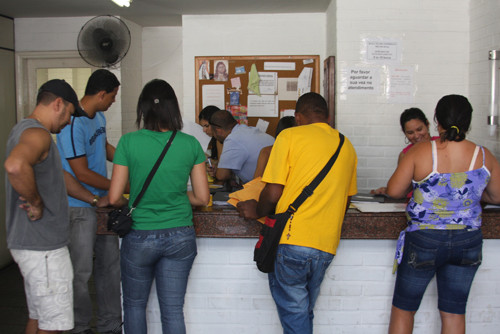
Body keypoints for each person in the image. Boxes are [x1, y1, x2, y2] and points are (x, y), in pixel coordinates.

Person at [236, 92, 358, 334]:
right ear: (327, 117)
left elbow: (273, 192)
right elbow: (346, 199)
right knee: (302, 313)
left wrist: (255, 210)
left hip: (293, 240)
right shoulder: (347, 146)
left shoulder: (289, 135)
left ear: (298, 117)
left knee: (295, 315)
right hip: (326, 245)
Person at [386, 95, 500, 334]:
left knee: (404, 309)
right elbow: (497, 196)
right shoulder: (483, 155)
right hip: (468, 239)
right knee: (454, 312)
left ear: (436, 122)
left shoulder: (420, 152)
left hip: (425, 238)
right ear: (468, 122)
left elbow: (395, 190)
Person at [4, 79, 109, 334]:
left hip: (32, 244)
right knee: (54, 326)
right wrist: (36, 202)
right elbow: (15, 165)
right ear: (58, 104)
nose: (67, 123)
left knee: (39, 319)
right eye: (69, 115)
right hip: (44, 249)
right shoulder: (37, 133)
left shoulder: (23, 130)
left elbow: (60, 178)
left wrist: (93, 199)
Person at [108, 79, 209, 334]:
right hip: (180, 235)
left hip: (139, 235)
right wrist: (174, 194)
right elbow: (202, 198)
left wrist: (131, 202)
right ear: (173, 108)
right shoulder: (190, 144)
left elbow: (114, 197)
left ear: (143, 109)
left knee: (133, 305)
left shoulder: (128, 142)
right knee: (173, 309)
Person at [56, 69, 124, 334]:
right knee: (80, 273)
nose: (114, 101)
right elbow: (81, 172)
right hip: (79, 207)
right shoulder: (72, 124)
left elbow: (105, 147)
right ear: (101, 94)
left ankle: (110, 325)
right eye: (113, 96)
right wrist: (121, 185)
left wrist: (127, 164)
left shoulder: (99, 116)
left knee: (109, 268)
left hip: (104, 204)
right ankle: (79, 326)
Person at [372, 108, 438, 195]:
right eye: (410, 133)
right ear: (404, 133)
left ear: (427, 124)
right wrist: (387, 190)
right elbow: (402, 188)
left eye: (419, 129)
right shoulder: (405, 155)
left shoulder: (441, 144)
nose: (416, 136)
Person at [210, 109, 275, 184]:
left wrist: (218, 172)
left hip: (261, 189)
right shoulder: (247, 130)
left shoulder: (233, 139)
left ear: (218, 131)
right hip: (276, 184)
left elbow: (222, 176)